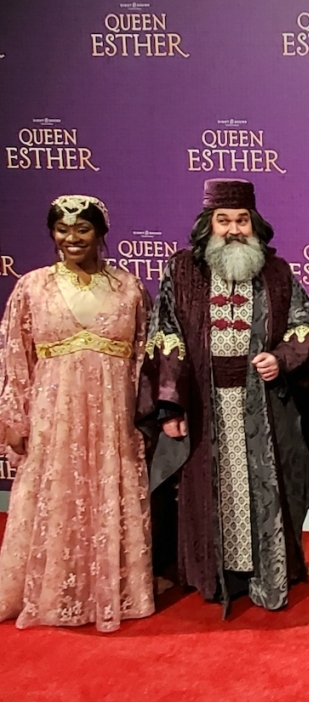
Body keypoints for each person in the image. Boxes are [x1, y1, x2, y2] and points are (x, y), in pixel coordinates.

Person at [137, 178, 309, 614]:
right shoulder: (181, 270)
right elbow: (166, 336)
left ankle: (262, 573)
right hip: (204, 404)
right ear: (208, 224)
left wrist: (280, 358)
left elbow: (303, 325)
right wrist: (170, 405)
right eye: (224, 220)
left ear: (254, 223)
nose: (234, 229)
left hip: (261, 406)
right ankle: (215, 575)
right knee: (209, 490)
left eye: (242, 220)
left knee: (261, 488)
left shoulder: (276, 271)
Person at [0, 195, 154, 632]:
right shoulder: (31, 287)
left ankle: (113, 591)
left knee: (109, 491)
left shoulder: (129, 287)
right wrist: (14, 417)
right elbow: (14, 356)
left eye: (82, 229)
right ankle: (54, 594)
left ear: (100, 234)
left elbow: (143, 355)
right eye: (63, 229)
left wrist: (142, 415)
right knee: (59, 494)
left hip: (112, 416)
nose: (72, 238)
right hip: (54, 415)